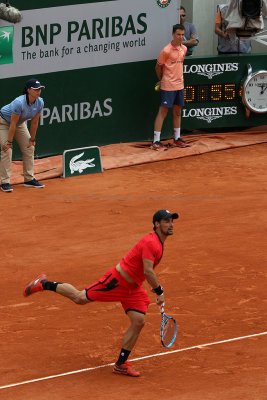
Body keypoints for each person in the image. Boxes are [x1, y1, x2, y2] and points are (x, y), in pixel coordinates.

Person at [23, 209, 179, 377]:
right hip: (116, 281)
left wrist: (148, 283)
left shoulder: (159, 243)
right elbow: (149, 271)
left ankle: (120, 364)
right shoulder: (151, 242)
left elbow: (145, 271)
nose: (170, 224)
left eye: (171, 221)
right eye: (166, 221)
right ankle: (43, 284)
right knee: (80, 298)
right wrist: (159, 291)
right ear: (157, 224)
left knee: (139, 321)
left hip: (132, 288)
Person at [0, 78, 46, 192]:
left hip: (19, 124)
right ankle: (5, 182)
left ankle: (29, 179)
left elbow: (35, 122)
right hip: (4, 122)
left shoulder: (40, 102)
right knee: (7, 149)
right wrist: (9, 142)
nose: (38, 91)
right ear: (28, 90)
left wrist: (32, 139)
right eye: (36, 89)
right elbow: (12, 124)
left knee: (29, 147)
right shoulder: (19, 103)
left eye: (40, 89)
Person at [152, 24, 190, 151]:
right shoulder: (166, 50)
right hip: (168, 85)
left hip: (180, 85)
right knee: (163, 112)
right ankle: (156, 141)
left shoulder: (184, 49)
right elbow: (158, 67)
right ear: (173, 34)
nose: (180, 37)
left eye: (182, 35)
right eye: (178, 34)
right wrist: (161, 80)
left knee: (178, 112)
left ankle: (177, 139)